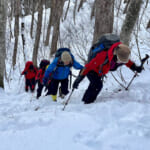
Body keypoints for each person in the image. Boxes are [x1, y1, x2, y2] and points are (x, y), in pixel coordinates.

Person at [73, 43, 143, 104]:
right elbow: (87, 67)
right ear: (115, 54)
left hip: (100, 72)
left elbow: (127, 62)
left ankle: (84, 101)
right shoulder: (103, 56)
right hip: (91, 70)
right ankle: (88, 103)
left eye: (122, 61)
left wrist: (135, 67)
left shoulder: (121, 54)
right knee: (98, 85)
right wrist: (78, 79)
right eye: (119, 60)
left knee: (93, 85)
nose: (120, 62)